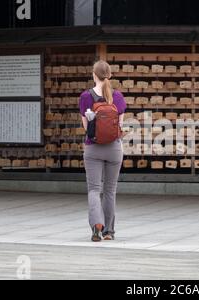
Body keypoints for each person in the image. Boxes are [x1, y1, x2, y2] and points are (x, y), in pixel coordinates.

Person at [79, 60, 127, 242]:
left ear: (94, 75)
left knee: (93, 189)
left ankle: (96, 226)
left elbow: (86, 126)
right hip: (114, 148)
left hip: (93, 148)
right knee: (110, 190)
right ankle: (109, 231)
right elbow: (120, 125)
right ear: (110, 75)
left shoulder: (85, 97)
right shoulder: (118, 96)